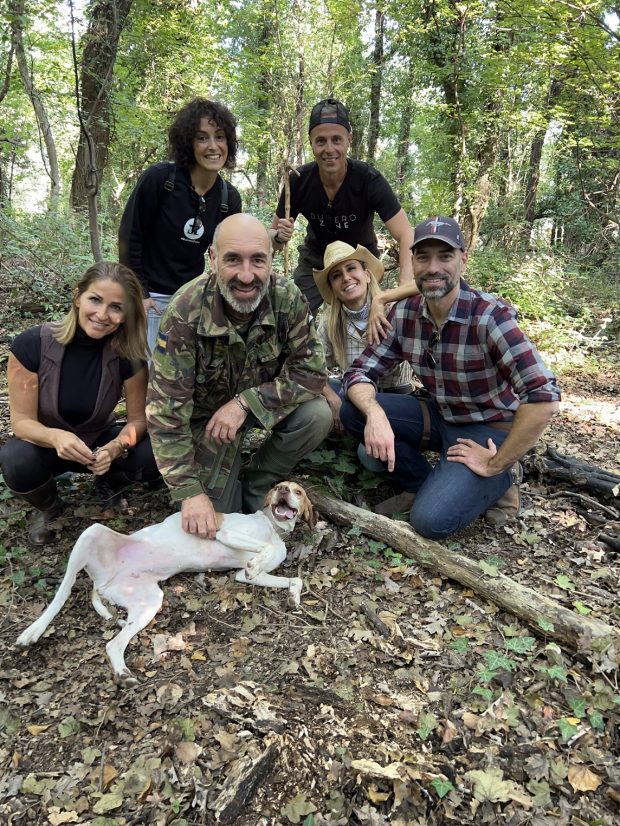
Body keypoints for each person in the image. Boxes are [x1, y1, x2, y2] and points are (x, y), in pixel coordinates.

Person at [340, 215, 561, 539]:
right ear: (412, 263)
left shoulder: (488, 316)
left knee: (431, 521)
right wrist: (374, 413)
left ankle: (501, 476)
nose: (433, 267)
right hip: (439, 416)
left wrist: (496, 462)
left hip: (488, 428)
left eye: (444, 256)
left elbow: (543, 397)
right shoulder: (405, 313)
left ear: (463, 260)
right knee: (351, 409)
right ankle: (421, 483)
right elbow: (360, 370)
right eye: (423, 257)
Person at [146, 213, 332, 539]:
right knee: (218, 525)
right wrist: (190, 493)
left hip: (259, 409)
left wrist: (245, 402)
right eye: (233, 260)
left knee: (317, 414)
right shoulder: (185, 311)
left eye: (258, 260)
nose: (247, 276)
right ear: (213, 259)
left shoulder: (287, 299)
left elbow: (312, 371)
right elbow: (165, 414)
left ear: (271, 259)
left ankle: (260, 481)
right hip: (207, 428)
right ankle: (224, 481)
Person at [0, 262, 160, 546]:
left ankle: (109, 482)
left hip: (98, 443)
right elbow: (21, 423)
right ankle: (49, 507)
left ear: (125, 315)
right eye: (95, 300)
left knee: (152, 453)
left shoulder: (127, 356)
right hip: (47, 446)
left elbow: (138, 420)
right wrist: (55, 436)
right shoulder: (32, 344)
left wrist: (115, 447)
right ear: (77, 298)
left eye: (116, 307)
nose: (102, 315)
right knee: (16, 459)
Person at [118, 97, 242, 351]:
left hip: (190, 298)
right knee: (150, 373)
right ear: (188, 143)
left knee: (184, 373)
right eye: (202, 137)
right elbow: (130, 237)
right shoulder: (161, 180)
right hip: (150, 297)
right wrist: (139, 294)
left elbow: (229, 253)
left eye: (220, 137)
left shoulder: (228, 198)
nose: (213, 146)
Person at [270, 98, 415, 315]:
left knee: (373, 320)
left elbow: (405, 233)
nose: (329, 149)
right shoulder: (298, 181)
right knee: (295, 315)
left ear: (349, 140)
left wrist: (405, 282)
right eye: (321, 141)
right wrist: (279, 236)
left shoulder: (368, 180)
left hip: (359, 259)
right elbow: (273, 240)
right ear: (311, 142)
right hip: (316, 260)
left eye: (336, 140)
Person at [312, 240, 413, 437]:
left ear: (367, 275)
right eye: (337, 276)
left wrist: (381, 299)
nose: (346, 278)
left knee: (369, 458)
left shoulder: (393, 309)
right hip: (355, 393)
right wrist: (333, 399)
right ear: (332, 288)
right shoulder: (329, 322)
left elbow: (430, 283)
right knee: (315, 396)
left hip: (394, 394)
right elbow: (312, 368)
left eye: (351, 268)